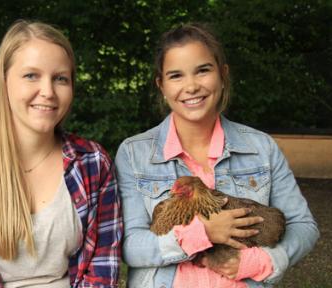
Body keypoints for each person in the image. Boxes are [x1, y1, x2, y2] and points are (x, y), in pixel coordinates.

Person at [115, 23, 319, 287]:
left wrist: (258, 262)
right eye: (176, 76)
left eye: (203, 70)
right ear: (161, 85)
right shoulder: (134, 153)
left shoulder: (261, 148)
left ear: (222, 75)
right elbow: (130, 246)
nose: (191, 86)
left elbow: (303, 226)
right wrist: (203, 233)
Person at [0, 20, 122, 288]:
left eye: (60, 79)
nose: (48, 92)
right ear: (4, 81)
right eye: (31, 75)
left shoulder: (93, 164)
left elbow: (102, 269)